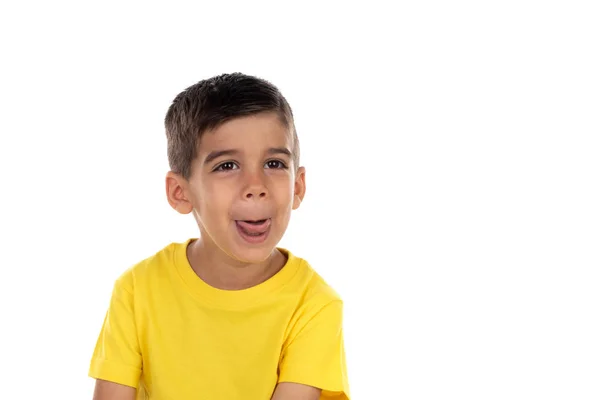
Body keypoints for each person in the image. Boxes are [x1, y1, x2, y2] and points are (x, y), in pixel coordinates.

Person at [88, 73, 350, 400]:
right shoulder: (136, 290)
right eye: (227, 166)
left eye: (274, 163)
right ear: (181, 193)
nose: (256, 186)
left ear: (298, 186)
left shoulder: (314, 304)